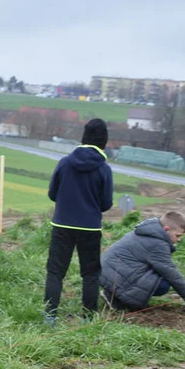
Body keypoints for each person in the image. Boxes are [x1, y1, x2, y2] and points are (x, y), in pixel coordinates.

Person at [44, 118, 114, 324]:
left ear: (83, 137)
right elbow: (106, 203)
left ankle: (49, 318)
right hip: (90, 227)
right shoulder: (104, 169)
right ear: (104, 141)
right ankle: (88, 320)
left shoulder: (64, 162)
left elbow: (52, 193)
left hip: (62, 225)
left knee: (55, 272)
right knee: (90, 274)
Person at [100, 211, 185, 313]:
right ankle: (114, 298)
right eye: (177, 236)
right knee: (163, 284)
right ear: (166, 229)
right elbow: (171, 273)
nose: (179, 240)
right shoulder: (157, 244)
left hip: (105, 271)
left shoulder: (148, 230)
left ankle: (113, 292)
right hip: (114, 275)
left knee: (157, 274)